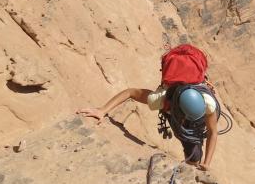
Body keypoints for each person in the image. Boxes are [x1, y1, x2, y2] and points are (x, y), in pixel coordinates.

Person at [77, 45, 220, 170]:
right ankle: (192, 160)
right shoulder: (161, 99)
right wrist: (102, 110)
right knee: (188, 144)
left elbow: (212, 132)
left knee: (194, 152)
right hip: (173, 109)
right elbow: (131, 92)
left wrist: (207, 163)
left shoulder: (208, 103)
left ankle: (193, 162)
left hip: (192, 117)